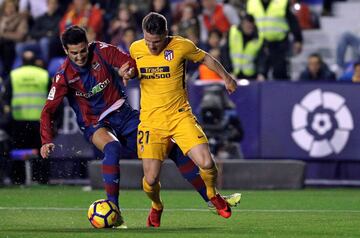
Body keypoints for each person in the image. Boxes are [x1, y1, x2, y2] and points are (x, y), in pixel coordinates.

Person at [40, 25, 240, 228]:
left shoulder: (101, 50)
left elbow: (128, 62)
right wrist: (46, 140)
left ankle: (211, 200)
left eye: (83, 50)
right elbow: (48, 110)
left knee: (173, 150)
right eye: (74, 53)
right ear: (66, 51)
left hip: (123, 114)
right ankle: (115, 211)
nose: (80, 56)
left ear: (87, 45)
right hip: (95, 123)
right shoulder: (63, 75)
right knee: (112, 147)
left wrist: (129, 70)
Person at [126, 12, 239, 227]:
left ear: (166, 34)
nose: (151, 46)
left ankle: (213, 194)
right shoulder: (135, 48)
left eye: (157, 42)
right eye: (148, 41)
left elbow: (206, 58)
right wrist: (127, 72)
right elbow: (132, 69)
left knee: (206, 161)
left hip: (180, 116)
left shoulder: (181, 46)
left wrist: (226, 77)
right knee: (150, 181)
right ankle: (157, 206)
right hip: (151, 121)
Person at [6, 50, 50, 184]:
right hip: (40, 121)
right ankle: (42, 179)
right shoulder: (44, 75)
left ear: (22, 61)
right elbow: (52, 98)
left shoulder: (14, 75)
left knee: (18, 151)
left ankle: (18, 179)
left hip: (19, 119)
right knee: (42, 151)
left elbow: (6, 97)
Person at [247, 0, 303, 80]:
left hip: (279, 43)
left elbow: (292, 21)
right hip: (260, 44)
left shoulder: (282, 2)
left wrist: (298, 39)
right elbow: (247, 21)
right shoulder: (252, 3)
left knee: (279, 71)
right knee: (260, 73)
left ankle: (282, 91)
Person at [222, 14, 265, 80]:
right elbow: (225, 53)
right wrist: (229, 71)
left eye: (250, 26)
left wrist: (260, 73)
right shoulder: (233, 32)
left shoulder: (259, 37)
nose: (249, 28)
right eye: (246, 25)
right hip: (234, 74)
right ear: (242, 24)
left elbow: (261, 57)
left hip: (251, 76)